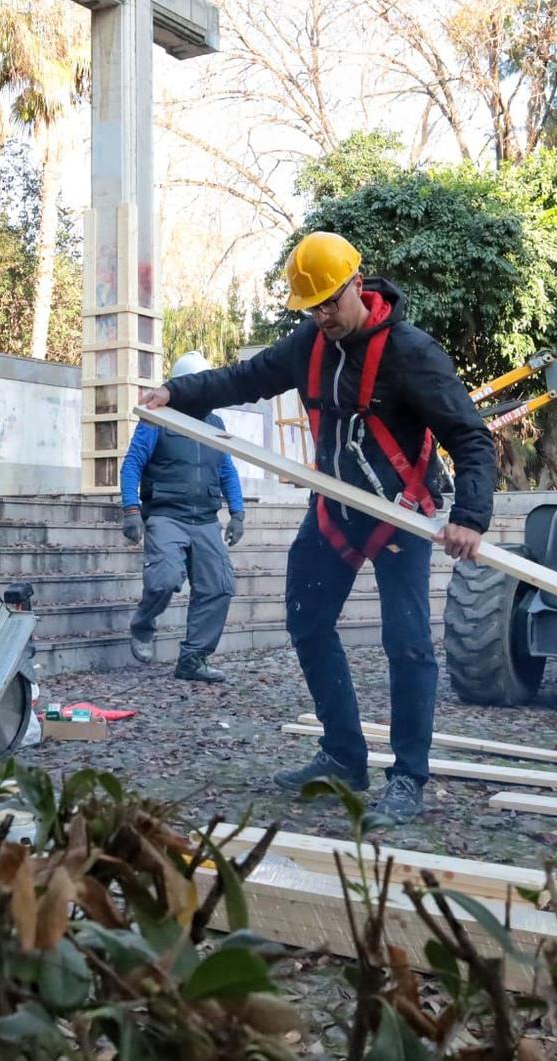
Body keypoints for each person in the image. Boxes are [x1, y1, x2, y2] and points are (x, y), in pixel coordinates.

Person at [139, 231, 497, 827]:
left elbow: (471, 438)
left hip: (399, 514)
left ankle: (408, 775)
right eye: (313, 307)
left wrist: (470, 517)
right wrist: (176, 392)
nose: (324, 315)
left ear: (358, 284)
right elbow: (243, 378)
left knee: (407, 644)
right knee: (307, 623)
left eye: (331, 301)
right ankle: (342, 755)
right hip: (334, 510)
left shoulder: (412, 353)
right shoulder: (309, 345)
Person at [119, 351, 246, 683]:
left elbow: (227, 470)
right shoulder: (157, 418)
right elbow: (132, 463)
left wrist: (237, 513)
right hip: (166, 515)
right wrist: (131, 510)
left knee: (219, 586)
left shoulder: (216, 424)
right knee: (164, 579)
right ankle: (143, 624)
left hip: (204, 518)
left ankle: (193, 659)